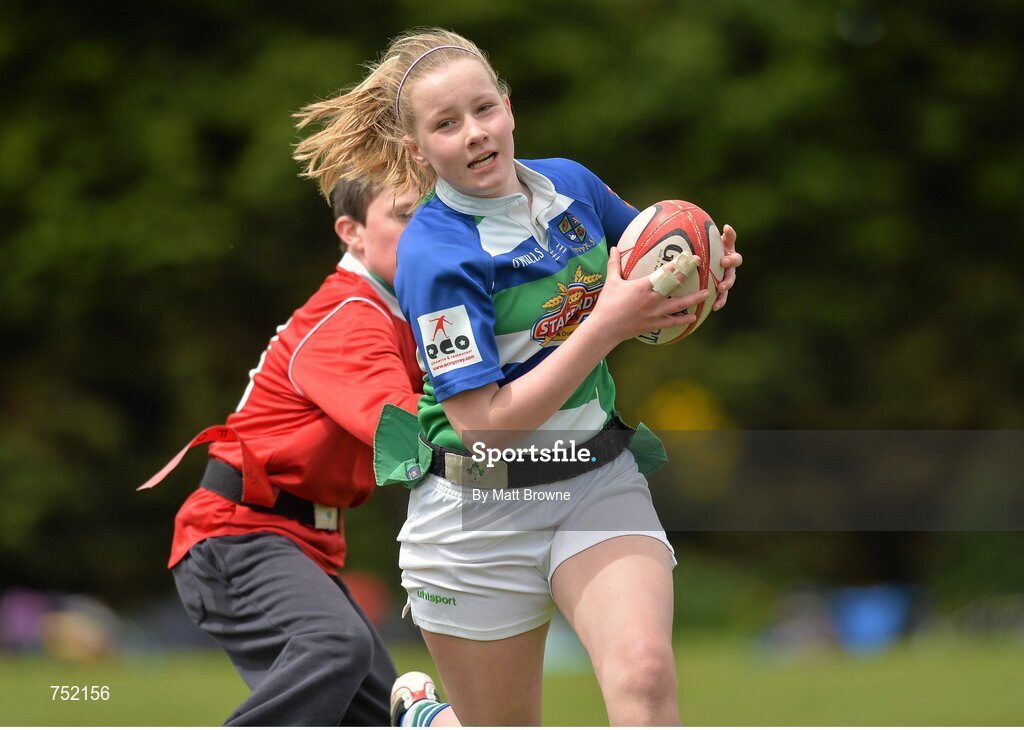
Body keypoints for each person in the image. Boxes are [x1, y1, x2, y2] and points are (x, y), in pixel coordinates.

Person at [293, 28, 742, 726]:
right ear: (417, 150)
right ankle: (428, 720)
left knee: (645, 677)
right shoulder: (435, 254)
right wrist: (606, 325)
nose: (474, 132)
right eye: (446, 124)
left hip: (594, 477)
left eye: (483, 108)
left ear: (508, 106)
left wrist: (700, 279)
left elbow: (647, 273)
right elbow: (484, 427)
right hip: (475, 510)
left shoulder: (572, 185)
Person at [139, 179, 457, 726]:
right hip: (237, 535)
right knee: (335, 645)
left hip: (296, 543)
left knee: (377, 716)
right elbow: (409, 436)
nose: (425, 230)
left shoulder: (404, 313)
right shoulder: (351, 316)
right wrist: (542, 461)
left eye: (435, 213)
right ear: (352, 232)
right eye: (405, 215)